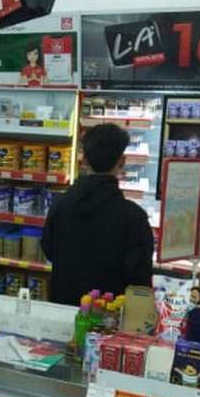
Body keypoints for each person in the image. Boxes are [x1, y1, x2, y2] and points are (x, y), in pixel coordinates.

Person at [42, 123, 153, 305]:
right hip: (110, 318)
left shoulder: (60, 204)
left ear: (84, 160)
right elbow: (139, 278)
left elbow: (48, 250)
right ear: (122, 161)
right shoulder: (133, 216)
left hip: (63, 310)